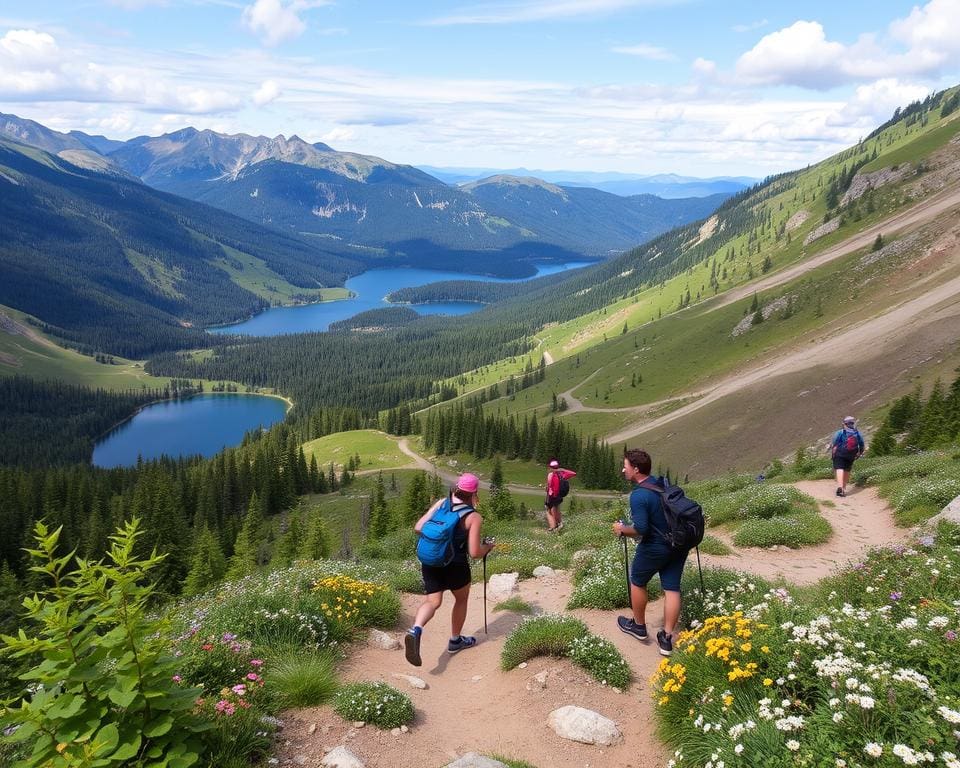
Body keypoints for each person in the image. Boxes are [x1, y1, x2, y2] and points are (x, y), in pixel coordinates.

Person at [404, 472, 495, 667]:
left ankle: (416, 629)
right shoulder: (473, 516)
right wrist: (487, 547)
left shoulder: (441, 503)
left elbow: (419, 527)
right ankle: (455, 640)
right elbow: (474, 552)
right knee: (461, 599)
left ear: (456, 488)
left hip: (431, 562)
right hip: (456, 565)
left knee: (432, 601)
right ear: (474, 493)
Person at [613, 448, 690, 657]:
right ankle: (666, 639)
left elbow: (641, 529)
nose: (623, 469)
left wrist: (622, 529)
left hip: (655, 546)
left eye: (626, 466)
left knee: (637, 580)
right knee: (672, 588)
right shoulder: (661, 484)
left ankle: (638, 626)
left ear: (636, 469)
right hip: (678, 544)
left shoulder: (639, 495)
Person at [831, 415, 865, 497]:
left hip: (840, 453)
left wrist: (833, 453)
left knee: (839, 468)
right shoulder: (857, 433)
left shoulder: (840, 432)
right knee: (846, 470)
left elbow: (834, 443)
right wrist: (859, 453)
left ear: (844, 424)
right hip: (851, 454)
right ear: (852, 423)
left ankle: (840, 488)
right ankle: (843, 487)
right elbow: (862, 445)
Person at [545, 459, 576, 531]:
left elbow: (549, 487)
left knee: (548, 510)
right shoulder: (562, 474)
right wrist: (563, 470)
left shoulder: (550, 475)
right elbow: (574, 473)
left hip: (552, 496)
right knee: (556, 509)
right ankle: (559, 524)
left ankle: (553, 527)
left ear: (550, 467)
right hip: (560, 495)